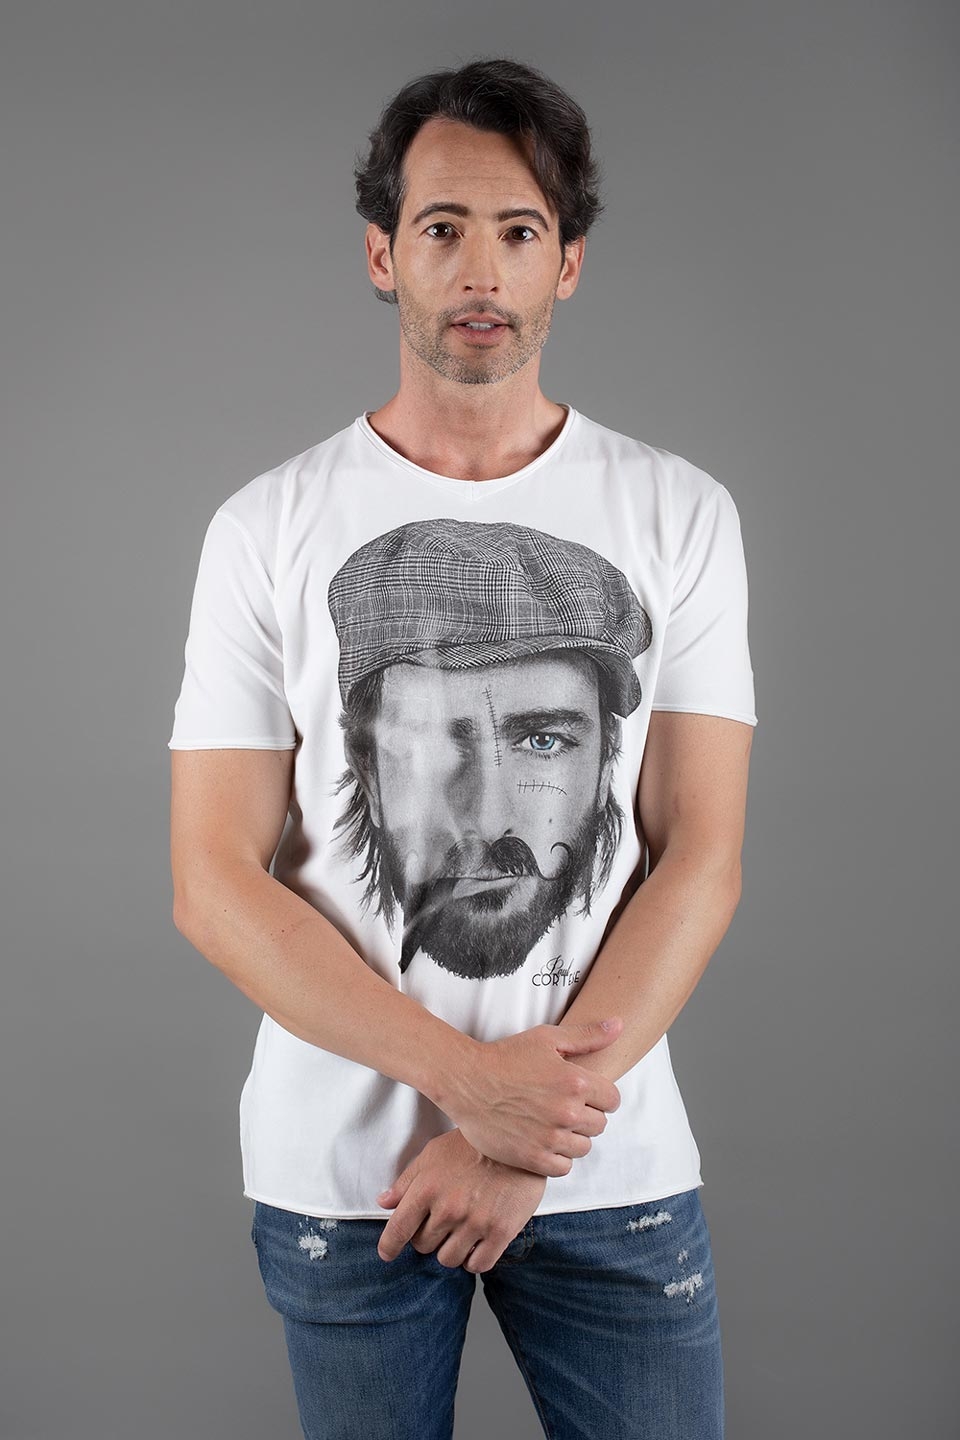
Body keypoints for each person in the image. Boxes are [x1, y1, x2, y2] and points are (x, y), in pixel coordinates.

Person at [168, 54, 757, 1440]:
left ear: (570, 265)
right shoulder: (265, 530)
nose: (481, 269)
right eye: (442, 227)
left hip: (606, 1169)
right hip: (346, 1184)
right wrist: (470, 1085)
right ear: (383, 254)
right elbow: (212, 882)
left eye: (520, 231)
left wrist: (520, 1140)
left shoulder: (681, 515)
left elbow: (701, 856)